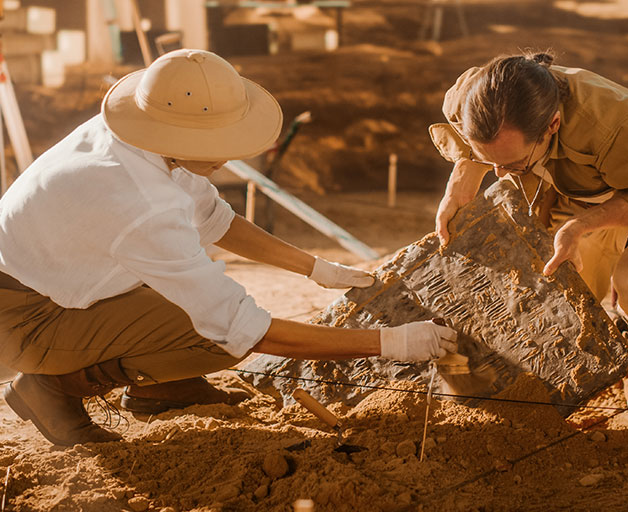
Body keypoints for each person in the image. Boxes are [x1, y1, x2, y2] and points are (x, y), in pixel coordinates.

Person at [0, 49, 457, 447]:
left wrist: (314, 267)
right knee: (217, 336)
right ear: (181, 137)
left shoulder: (140, 137)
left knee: (201, 304)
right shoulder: (143, 202)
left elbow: (215, 220)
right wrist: (389, 342)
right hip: (21, 318)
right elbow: (245, 330)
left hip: (47, 282)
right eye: (218, 143)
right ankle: (53, 386)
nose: (230, 156)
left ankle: (161, 388)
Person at [430, 52, 628, 408]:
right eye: (494, 163)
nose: (502, 174)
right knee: (561, 312)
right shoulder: (476, 96)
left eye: (515, 164)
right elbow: (470, 137)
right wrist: (464, 171)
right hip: (578, 191)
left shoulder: (611, 124)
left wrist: (578, 227)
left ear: (552, 124)